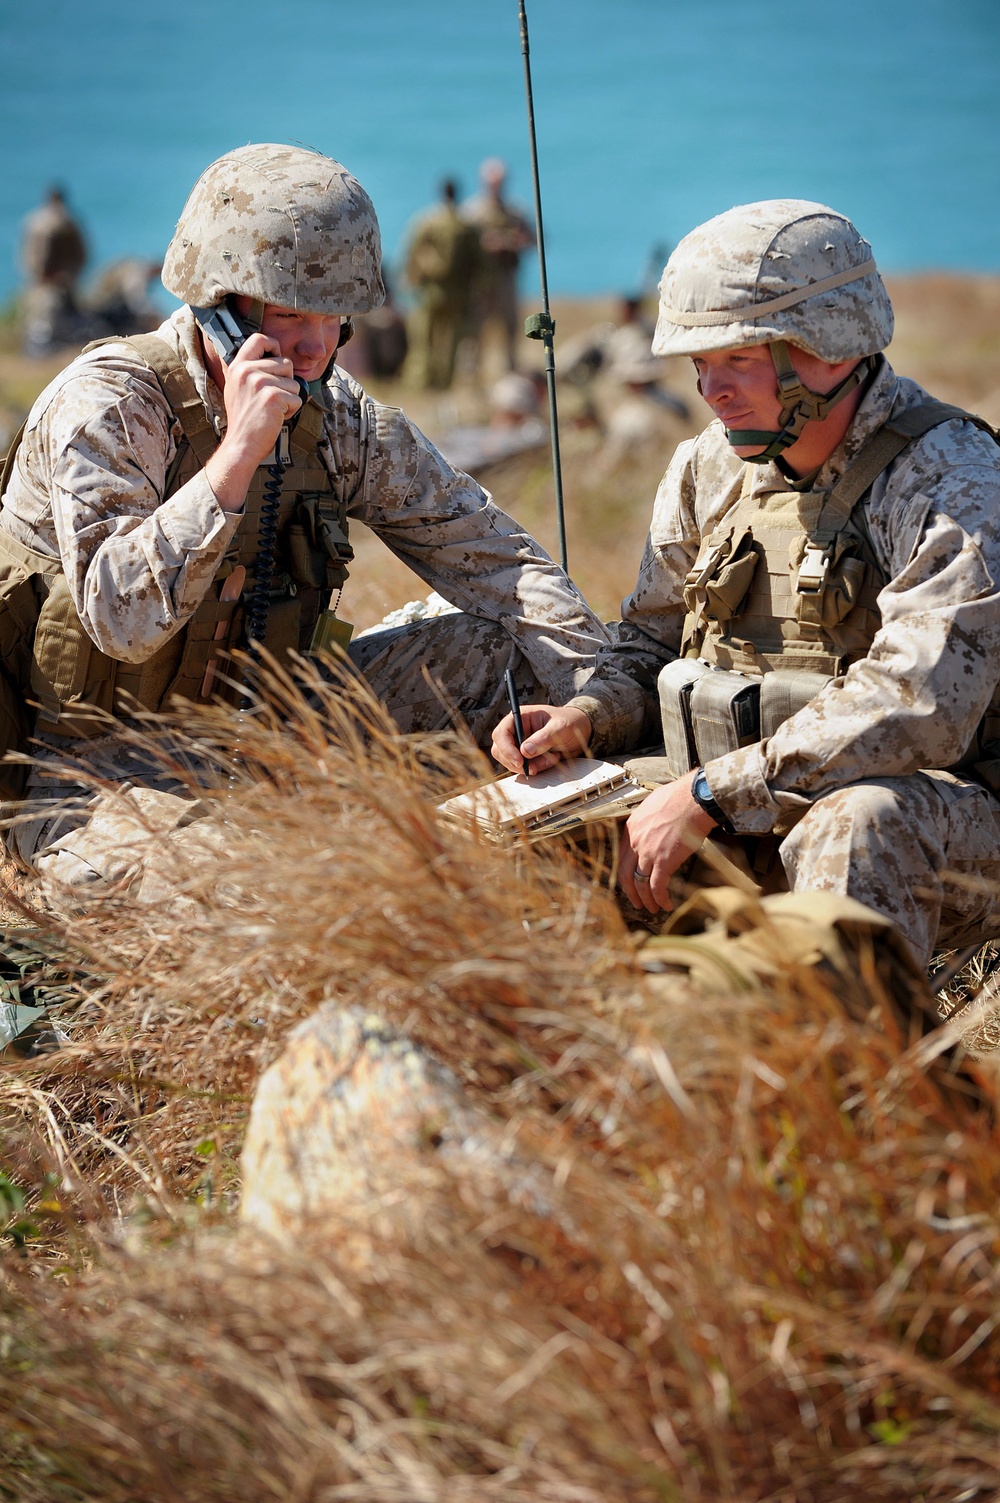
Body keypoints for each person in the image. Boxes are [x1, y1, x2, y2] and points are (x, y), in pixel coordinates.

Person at [0, 144, 610, 902]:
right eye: (291, 315)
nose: (317, 348)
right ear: (218, 308)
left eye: (335, 318)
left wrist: (598, 704)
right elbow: (119, 619)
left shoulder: (334, 413)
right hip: (90, 775)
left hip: (263, 729)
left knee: (501, 651)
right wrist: (236, 456)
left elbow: (495, 560)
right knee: (260, 893)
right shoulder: (112, 405)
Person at [493, 199, 1000, 970]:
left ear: (825, 347)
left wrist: (707, 796)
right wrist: (587, 718)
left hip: (946, 812)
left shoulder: (946, 477)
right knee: (536, 828)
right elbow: (650, 641)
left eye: (737, 358)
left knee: (854, 825)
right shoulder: (710, 467)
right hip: (741, 799)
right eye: (700, 364)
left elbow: (918, 706)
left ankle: (859, 1077)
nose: (710, 389)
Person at [402, 179, 480, 389]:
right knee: (452, 338)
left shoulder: (427, 221)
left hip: (431, 289)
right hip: (457, 290)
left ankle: (421, 380)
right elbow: (478, 260)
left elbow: (413, 252)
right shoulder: (465, 225)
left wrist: (410, 279)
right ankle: (445, 380)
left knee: (423, 337)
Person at [462, 159, 535, 375]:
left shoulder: (515, 212)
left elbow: (532, 240)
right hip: (480, 283)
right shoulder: (472, 213)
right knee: (475, 331)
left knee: (510, 328)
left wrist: (514, 242)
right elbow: (463, 247)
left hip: (506, 279)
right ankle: (472, 375)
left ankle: (510, 371)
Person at [19, 186, 91, 356]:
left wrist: (37, 272)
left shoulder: (34, 221)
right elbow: (80, 253)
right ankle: (42, 351)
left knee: (42, 316)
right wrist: (68, 273)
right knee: (49, 316)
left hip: (49, 278)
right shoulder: (67, 221)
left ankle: (40, 351)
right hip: (56, 278)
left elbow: (29, 252)